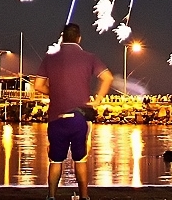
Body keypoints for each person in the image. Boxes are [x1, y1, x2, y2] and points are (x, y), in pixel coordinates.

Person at [31, 23, 113, 200]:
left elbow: (38, 85)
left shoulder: (49, 58)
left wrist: (56, 91)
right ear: (79, 38)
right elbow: (108, 77)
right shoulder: (89, 57)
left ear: (62, 38)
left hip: (56, 118)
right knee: (81, 159)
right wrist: (97, 101)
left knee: (55, 160)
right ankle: (84, 197)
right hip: (79, 117)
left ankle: (51, 196)